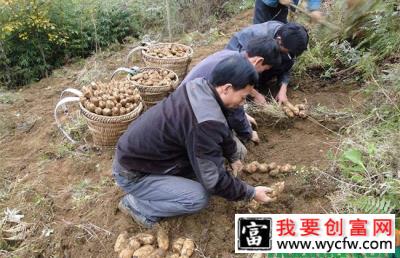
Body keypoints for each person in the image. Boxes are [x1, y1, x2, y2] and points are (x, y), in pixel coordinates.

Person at [113, 55, 277, 228]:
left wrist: (232, 156)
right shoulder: (205, 123)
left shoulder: (200, 86)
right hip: (134, 173)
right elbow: (213, 181)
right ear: (227, 88)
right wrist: (250, 193)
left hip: (151, 155)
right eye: (243, 97)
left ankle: (164, 185)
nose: (242, 104)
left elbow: (222, 126)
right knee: (198, 197)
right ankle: (137, 205)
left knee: (218, 161)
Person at [181, 36, 281, 146]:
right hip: (189, 110)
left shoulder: (232, 55)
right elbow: (234, 111)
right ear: (258, 61)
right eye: (265, 69)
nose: (262, 72)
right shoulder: (238, 70)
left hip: (184, 96)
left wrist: (243, 115)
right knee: (226, 134)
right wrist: (248, 132)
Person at [226, 21, 308, 104]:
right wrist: (255, 94)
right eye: (289, 51)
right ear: (279, 41)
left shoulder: (289, 39)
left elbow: (287, 65)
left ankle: (258, 83)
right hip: (235, 65)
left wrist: (283, 89)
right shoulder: (258, 39)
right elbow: (238, 69)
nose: (289, 54)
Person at [253, 0, 322, 24]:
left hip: (284, 5)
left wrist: (314, 8)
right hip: (265, 5)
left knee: (280, 30)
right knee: (259, 32)